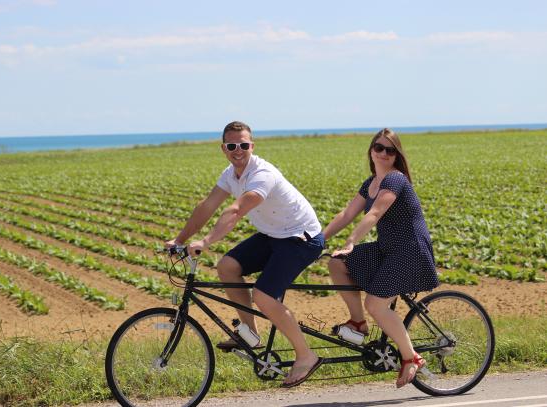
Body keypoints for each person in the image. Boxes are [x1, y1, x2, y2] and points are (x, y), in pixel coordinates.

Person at [166, 121, 325, 387]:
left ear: (252, 146)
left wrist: (205, 241)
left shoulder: (262, 174)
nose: (237, 150)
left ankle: (306, 355)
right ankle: (249, 332)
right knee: (227, 266)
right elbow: (207, 206)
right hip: (273, 234)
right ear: (223, 148)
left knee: (263, 296)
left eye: (243, 145)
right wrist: (179, 240)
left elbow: (236, 211)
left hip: (301, 238)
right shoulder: (230, 174)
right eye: (232, 146)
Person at [323, 128, 439, 388]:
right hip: (387, 248)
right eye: (379, 148)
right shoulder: (371, 182)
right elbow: (346, 214)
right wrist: (318, 239)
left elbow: (374, 214)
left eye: (390, 149)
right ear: (371, 151)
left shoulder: (395, 180)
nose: (384, 154)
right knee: (336, 263)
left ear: (397, 155)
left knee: (376, 304)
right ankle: (358, 323)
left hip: (410, 250)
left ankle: (411, 358)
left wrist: (351, 241)